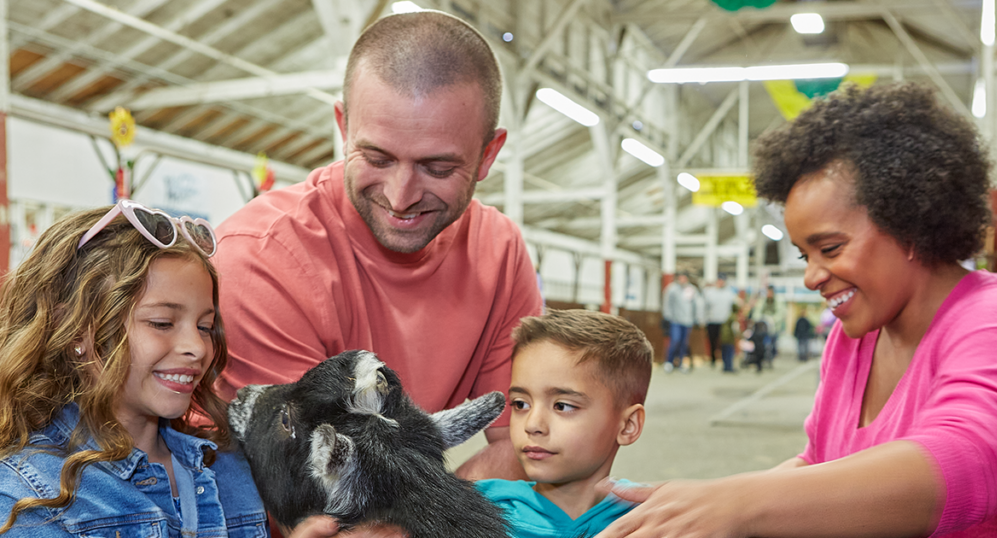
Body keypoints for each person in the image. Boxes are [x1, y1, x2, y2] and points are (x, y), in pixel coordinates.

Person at [595, 82, 997, 537]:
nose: (812, 276)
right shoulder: (853, 339)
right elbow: (819, 463)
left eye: (831, 248)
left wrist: (739, 504)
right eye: (805, 255)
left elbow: (968, 464)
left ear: (911, 222)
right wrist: (702, 506)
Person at [211, 10, 543, 484]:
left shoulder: (500, 253)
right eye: (377, 157)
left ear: (488, 154)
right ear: (343, 127)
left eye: (438, 168)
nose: (400, 196)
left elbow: (527, 444)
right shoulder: (261, 261)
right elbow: (311, 496)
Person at [0, 202, 335, 538]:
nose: (197, 347)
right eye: (162, 323)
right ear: (74, 331)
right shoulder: (27, 495)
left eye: (205, 326)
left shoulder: (231, 468)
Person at [477, 309, 652, 538]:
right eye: (520, 404)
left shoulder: (653, 520)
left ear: (628, 425)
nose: (532, 424)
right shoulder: (471, 510)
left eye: (562, 406)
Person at [661, 272, 704, 372]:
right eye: (680, 278)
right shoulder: (672, 289)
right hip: (675, 320)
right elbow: (667, 303)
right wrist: (667, 316)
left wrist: (698, 318)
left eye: (684, 278)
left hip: (688, 321)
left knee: (684, 343)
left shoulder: (692, 289)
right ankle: (669, 362)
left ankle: (681, 363)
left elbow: (697, 304)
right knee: (675, 341)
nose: (682, 280)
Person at [702, 274, 736, 369]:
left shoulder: (729, 293)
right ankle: (713, 359)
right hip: (712, 320)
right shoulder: (709, 292)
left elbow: (734, 305)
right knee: (712, 341)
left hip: (724, 322)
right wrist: (703, 319)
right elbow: (705, 307)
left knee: (724, 342)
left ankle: (726, 363)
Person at [749, 284, 785, 368]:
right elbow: (757, 312)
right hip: (762, 328)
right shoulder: (762, 301)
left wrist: (772, 320)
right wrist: (761, 319)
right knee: (760, 344)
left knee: (772, 344)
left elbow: (780, 313)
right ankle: (761, 360)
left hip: (773, 328)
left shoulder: (778, 301)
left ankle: (770, 359)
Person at [719, 304, 739, 373]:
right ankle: (729, 367)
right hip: (729, 337)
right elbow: (735, 328)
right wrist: (738, 335)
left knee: (724, 352)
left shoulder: (728, 316)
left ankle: (725, 367)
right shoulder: (734, 317)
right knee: (729, 352)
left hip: (723, 336)